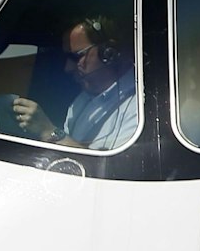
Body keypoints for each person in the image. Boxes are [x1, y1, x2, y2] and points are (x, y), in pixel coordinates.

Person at [11, 16, 138, 151]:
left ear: (108, 53)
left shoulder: (138, 108)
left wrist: (48, 131)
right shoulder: (83, 99)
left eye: (76, 56)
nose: (68, 68)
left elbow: (111, 169)